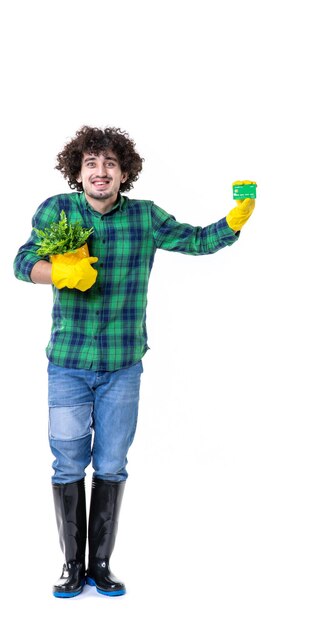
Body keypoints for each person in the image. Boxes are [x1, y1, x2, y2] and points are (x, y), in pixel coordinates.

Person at [13, 126, 256, 598]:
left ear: (124, 173)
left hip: (123, 366)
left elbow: (200, 241)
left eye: (109, 164)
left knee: (111, 462)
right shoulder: (57, 210)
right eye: (91, 164)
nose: (100, 172)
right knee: (66, 463)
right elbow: (23, 263)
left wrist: (236, 220)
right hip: (67, 364)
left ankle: (100, 565)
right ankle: (70, 565)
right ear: (77, 172)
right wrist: (58, 272)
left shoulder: (144, 218)